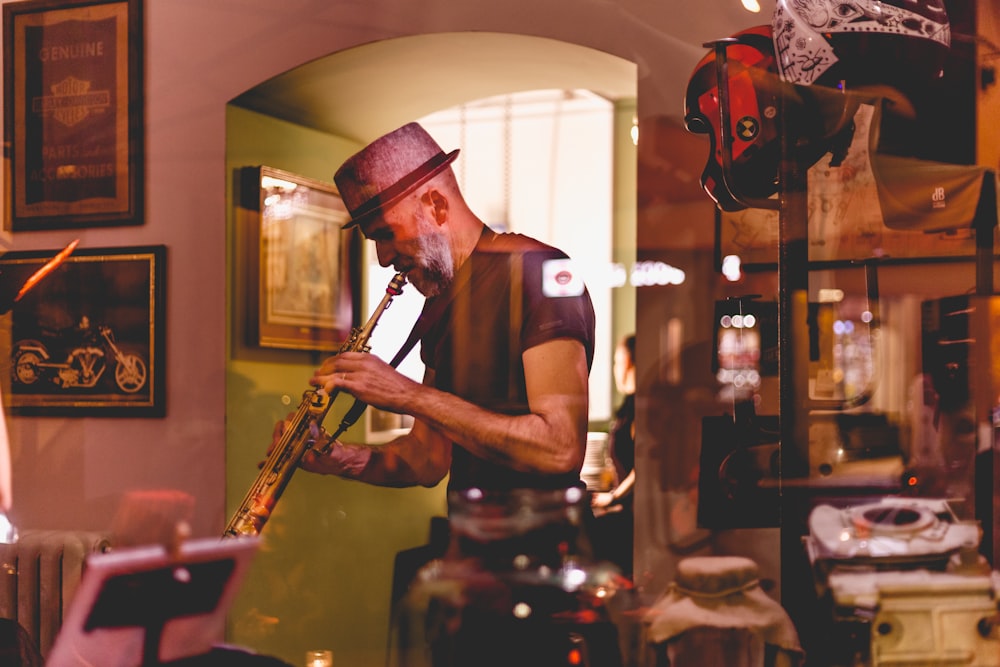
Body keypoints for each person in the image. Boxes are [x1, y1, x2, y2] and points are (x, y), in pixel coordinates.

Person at [290, 121, 597, 497]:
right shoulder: (440, 304)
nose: (383, 258)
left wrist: (407, 394)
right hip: (470, 545)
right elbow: (427, 457)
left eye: (386, 234)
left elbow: (560, 448)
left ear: (436, 205)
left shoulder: (542, 272)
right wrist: (341, 459)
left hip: (546, 547)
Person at [590, 333, 636, 576]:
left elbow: (643, 469)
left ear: (629, 363)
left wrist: (613, 498)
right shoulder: (629, 406)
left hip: (633, 516)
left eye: (618, 362)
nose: (616, 370)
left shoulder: (639, 408)